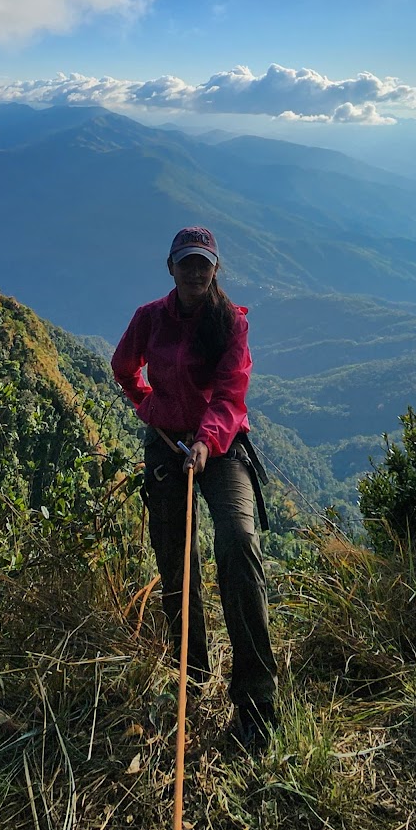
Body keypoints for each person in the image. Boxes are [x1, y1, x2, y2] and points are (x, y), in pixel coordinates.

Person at [111, 225, 278, 752]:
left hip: (221, 447)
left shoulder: (230, 324)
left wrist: (205, 441)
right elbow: (124, 368)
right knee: (175, 561)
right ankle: (193, 674)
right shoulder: (149, 319)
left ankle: (256, 703)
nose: (194, 271)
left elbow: (231, 393)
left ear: (214, 269)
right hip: (167, 446)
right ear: (171, 267)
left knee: (238, 542)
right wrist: (150, 409)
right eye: (186, 262)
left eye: (203, 263)